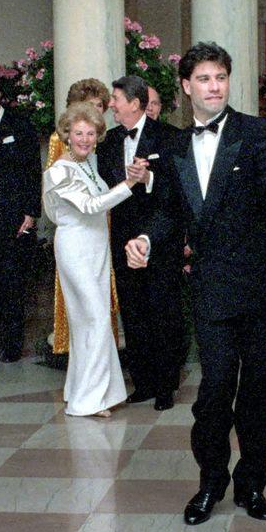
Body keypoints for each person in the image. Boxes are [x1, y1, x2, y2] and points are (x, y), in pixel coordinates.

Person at [125, 41, 266, 527]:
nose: (214, 86)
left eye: (221, 78)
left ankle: (252, 484)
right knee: (214, 390)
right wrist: (145, 236)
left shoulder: (258, 133)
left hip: (260, 284)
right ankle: (211, 480)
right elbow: (168, 210)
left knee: (257, 390)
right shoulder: (174, 146)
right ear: (186, 87)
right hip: (210, 288)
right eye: (204, 79)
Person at [43, 103, 143, 416]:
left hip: (96, 247)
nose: (85, 139)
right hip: (75, 248)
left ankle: (80, 391)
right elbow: (90, 206)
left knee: (89, 323)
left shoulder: (90, 163)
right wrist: (129, 185)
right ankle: (91, 401)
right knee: (95, 320)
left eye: (90, 133)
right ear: (67, 136)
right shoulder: (59, 170)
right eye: (78, 133)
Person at [98, 75, 184, 411]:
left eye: (116, 99)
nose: (112, 105)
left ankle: (166, 386)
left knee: (163, 310)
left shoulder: (170, 137)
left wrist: (147, 178)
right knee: (133, 311)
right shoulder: (108, 142)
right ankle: (144, 382)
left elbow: (177, 191)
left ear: (135, 104)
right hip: (122, 237)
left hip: (160, 240)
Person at [46, 78, 116, 356]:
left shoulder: (102, 141)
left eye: (100, 107)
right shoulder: (62, 144)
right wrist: (128, 187)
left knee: (102, 305)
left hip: (102, 225)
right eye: (89, 107)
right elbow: (65, 196)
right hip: (78, 223)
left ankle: (99, 369)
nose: (94, 113)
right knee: (87, 309)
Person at [0, 69, 42, 362]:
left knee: (11, 281)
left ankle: (11, 345)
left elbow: (33, 173)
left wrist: (31, 213)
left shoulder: (20, 127)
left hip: (11, 218)